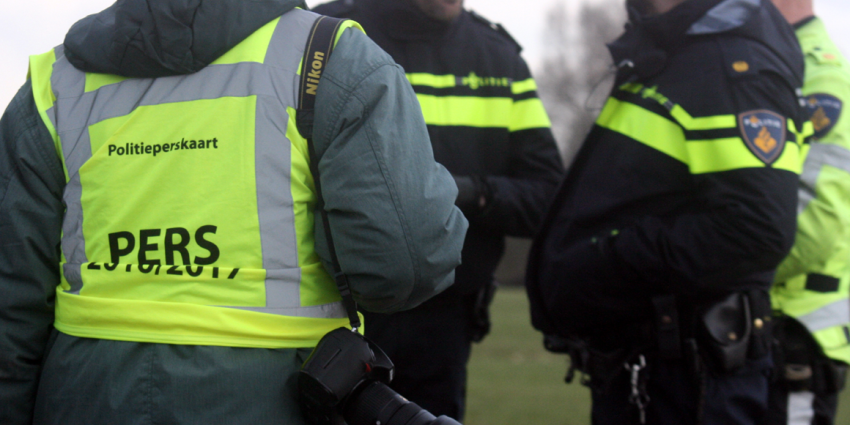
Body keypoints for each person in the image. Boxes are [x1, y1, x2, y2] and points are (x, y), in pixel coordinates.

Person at [0, 0, 469, 423]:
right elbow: (402, 265)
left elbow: (11, 301)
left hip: (82, 393)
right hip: (278, 392)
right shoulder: (329, 55)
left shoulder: (54, 83)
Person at [525, 0, 811, 424]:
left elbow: (756, 228)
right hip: (654, 374)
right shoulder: (679, 53)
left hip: (687, 383)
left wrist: (605, 260)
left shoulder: (730, 66)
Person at [311, 0, 564, 420]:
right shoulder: (326, 35)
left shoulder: (499, 57)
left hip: (444, 325)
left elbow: (546, 198)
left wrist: (465, 192)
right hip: (335, 314)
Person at [763, 1, 850, 424]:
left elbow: (813, 223)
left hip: (795, 336)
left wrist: (714, 269)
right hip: (765, 329)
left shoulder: (817, 75)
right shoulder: (773, 60)